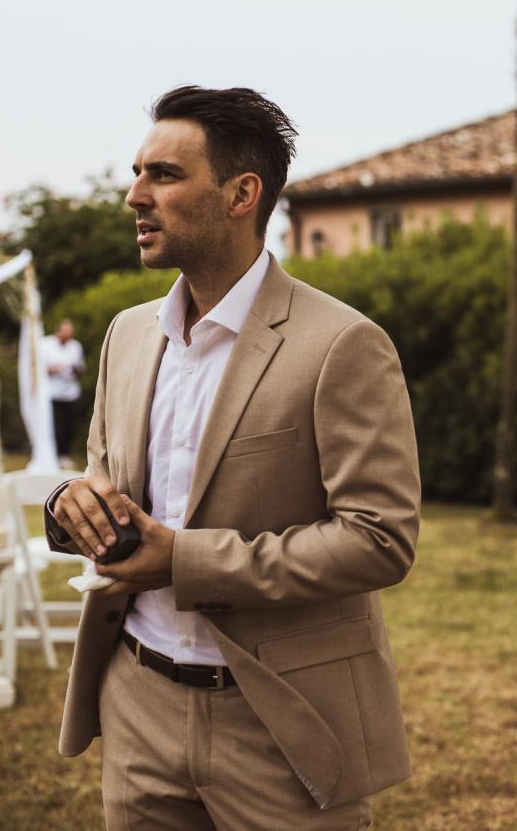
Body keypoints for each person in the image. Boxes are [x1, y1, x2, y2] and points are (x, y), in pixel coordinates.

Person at [44, 86, 420, 829]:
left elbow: (380, 539)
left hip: (281, 721)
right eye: (137, 172)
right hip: (137, 705)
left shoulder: (342, 345)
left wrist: (185, 562)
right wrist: (68, 506)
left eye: (164, 175)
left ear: (242, 194)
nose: (134, 196)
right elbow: (102, 479)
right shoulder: (126, 335)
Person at [41, 318, 85, 469]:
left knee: (68, 425)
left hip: (70, 392)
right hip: (51, 392)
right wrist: (52, 369)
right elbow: (37, 369)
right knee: (53, 424)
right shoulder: (45, 345)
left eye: (70, 334)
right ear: (58, 331)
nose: (68, 337)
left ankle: (64, 454)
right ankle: (51, 454)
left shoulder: (76, 346)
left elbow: (81, 368)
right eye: (65, 334)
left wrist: (76, 370)